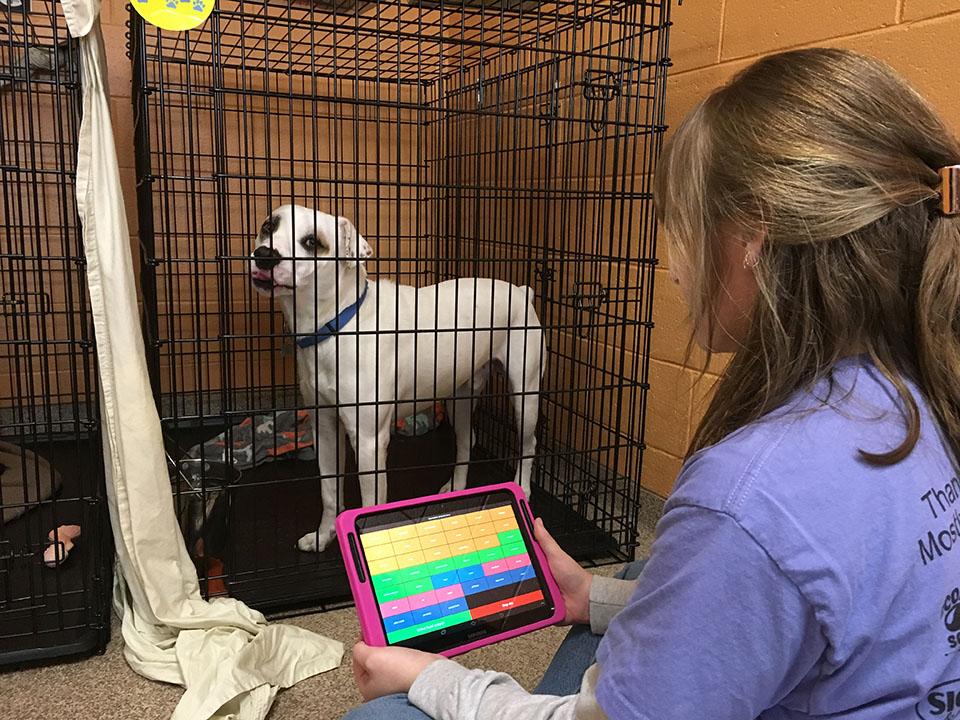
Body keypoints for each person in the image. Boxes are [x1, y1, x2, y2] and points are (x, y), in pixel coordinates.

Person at [343, 47, 960, 719]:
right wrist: (594, 598)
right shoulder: (923, 387)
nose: (673, 270)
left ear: (751, 238)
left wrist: (434, 677)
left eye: (680, 228)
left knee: (384, 712)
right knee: (641, 577)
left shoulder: (747, 496)